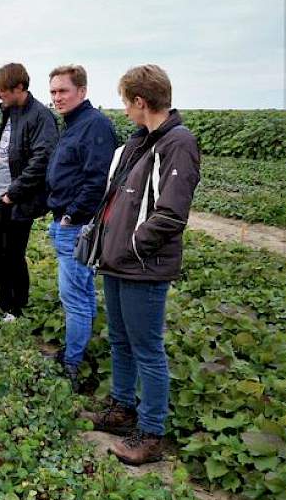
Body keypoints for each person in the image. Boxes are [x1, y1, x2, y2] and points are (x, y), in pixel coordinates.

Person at [80, 65, 200, 465]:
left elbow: (170, 214)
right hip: (117, 263)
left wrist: (131, 247)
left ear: (140, 101)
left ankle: (150, 434)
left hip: (141, 266)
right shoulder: (140, 142)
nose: (125, 110)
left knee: (147, 349)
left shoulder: (178, 144)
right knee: (120, 340)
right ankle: (121, 409)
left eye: (126, 102)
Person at [45, 64, 116, 389]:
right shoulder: (75, 124)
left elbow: (96, 180)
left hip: (76, 226)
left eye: (63, 91)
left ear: (82, 91)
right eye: (54, 92)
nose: (57, 97)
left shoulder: (94, 126)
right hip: (66, 221)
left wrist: (70, 216)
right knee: (82, 293)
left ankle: (72, 363)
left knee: (74, 296)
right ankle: (76, 353)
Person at [0, 63, 58, 321]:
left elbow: (42, 160)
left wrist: (13, 193)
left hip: (18, 198)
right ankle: (7, 300)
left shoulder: (40, 116)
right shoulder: (11, 111)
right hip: (4, 193)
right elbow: (14, 145)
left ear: (19, 88)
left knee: (11, 253)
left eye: (2, 90)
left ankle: (15, 306)